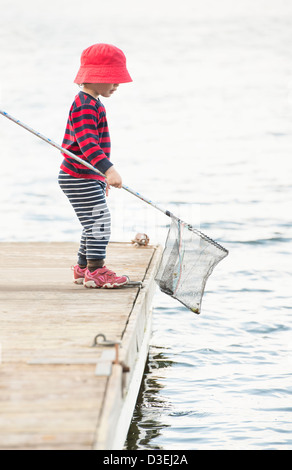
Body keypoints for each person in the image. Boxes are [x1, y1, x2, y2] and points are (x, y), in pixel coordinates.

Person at [58, 43, 132, 288]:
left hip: (86, 175)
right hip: (78, 175)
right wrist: (108, 170)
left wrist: (99, 178)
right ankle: (96, 272)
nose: (117, 85)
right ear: (96, 78)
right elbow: (88, 144)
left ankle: (83, 268)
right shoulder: (85, 106)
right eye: (113, 79)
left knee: (92, 221)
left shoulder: (93, 103)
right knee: (100, 221)